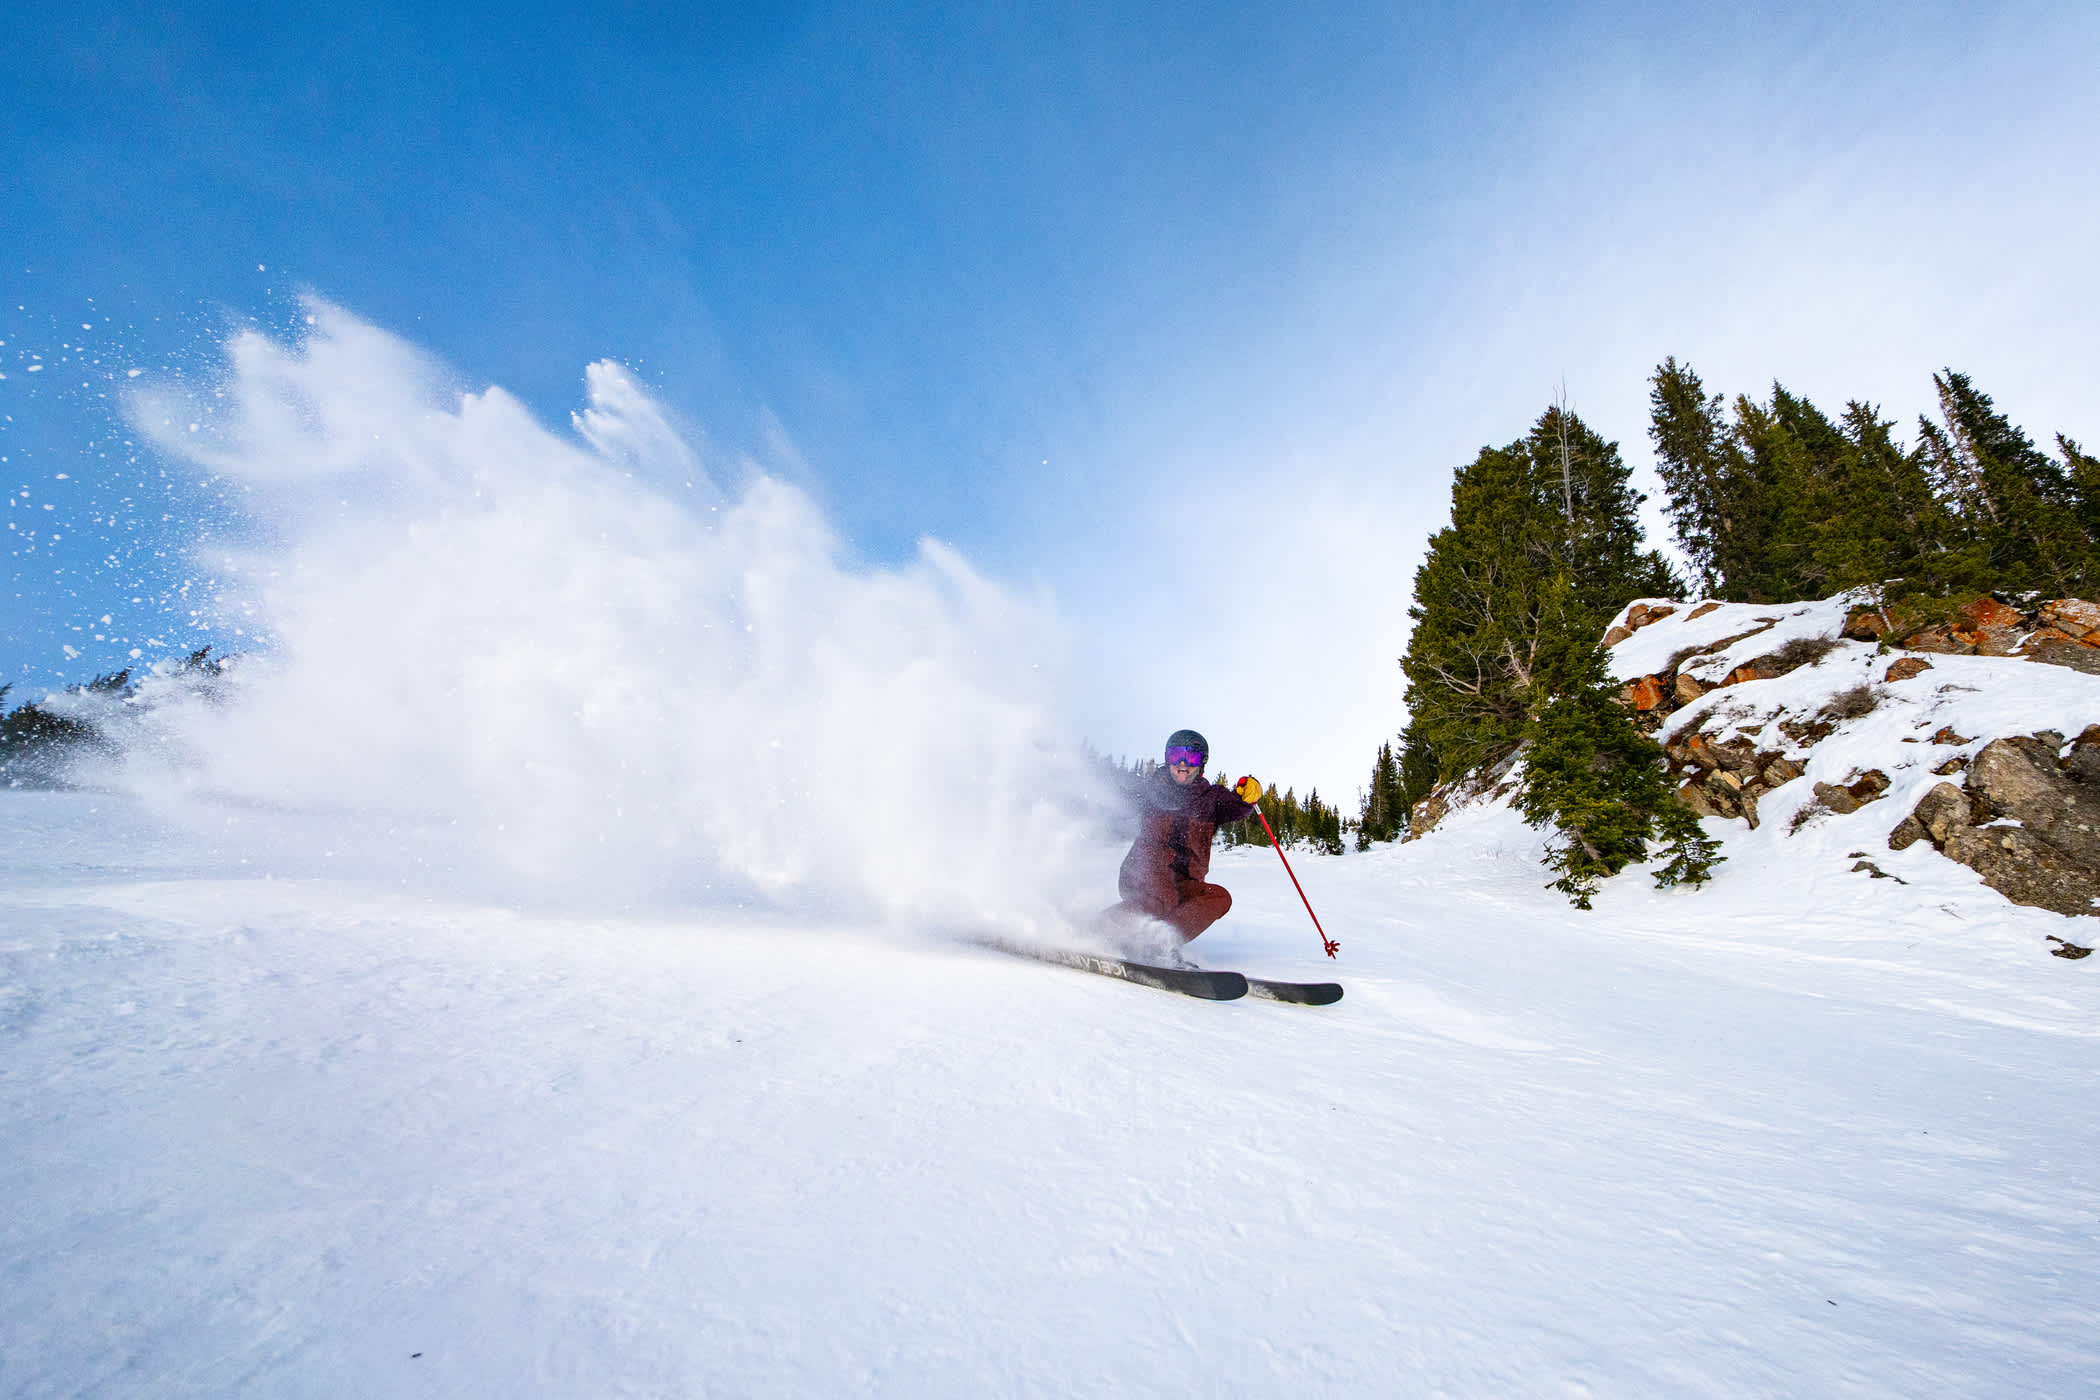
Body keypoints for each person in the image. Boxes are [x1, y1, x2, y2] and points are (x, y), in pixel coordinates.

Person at [1102, 729, 1263, 948]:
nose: (1182, 763)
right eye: (1175, 755)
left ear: (1202, 763)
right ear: (1167, 759)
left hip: (1184, 883)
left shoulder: (1212, 799)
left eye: (1192, 757)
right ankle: (1096, 931)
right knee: (1162, 897)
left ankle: (1161, 943)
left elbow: (1237, 807)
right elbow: (1119, 802)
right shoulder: (1152, 790)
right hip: (1144, 873)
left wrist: (1248, 795)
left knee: (1219, 897)